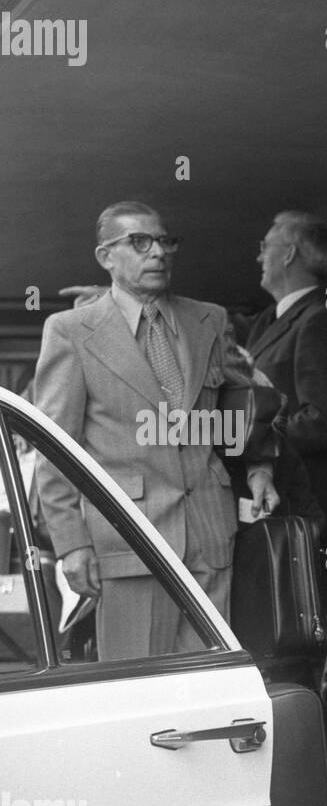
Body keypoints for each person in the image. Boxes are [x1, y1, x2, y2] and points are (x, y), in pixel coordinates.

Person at [33, 202, 279, 660]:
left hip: (210, 534)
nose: (158, 253)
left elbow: (240, 403)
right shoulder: (70, 331)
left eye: (165, 241)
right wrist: (72, 544)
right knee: (140, 694)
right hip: (128, 541)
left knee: (210, 688)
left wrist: (260, 467)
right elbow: (55, 449)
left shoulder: (209, 318)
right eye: (139, 242)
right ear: (106, 256)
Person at [248, 210, 327, 543]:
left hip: (297, 497)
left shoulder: (319, 319)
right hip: (275, 495)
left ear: (290, 254)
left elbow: (322, 419)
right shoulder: (270, 320)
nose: (258, 256)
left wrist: (253, 445)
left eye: (265, 246)